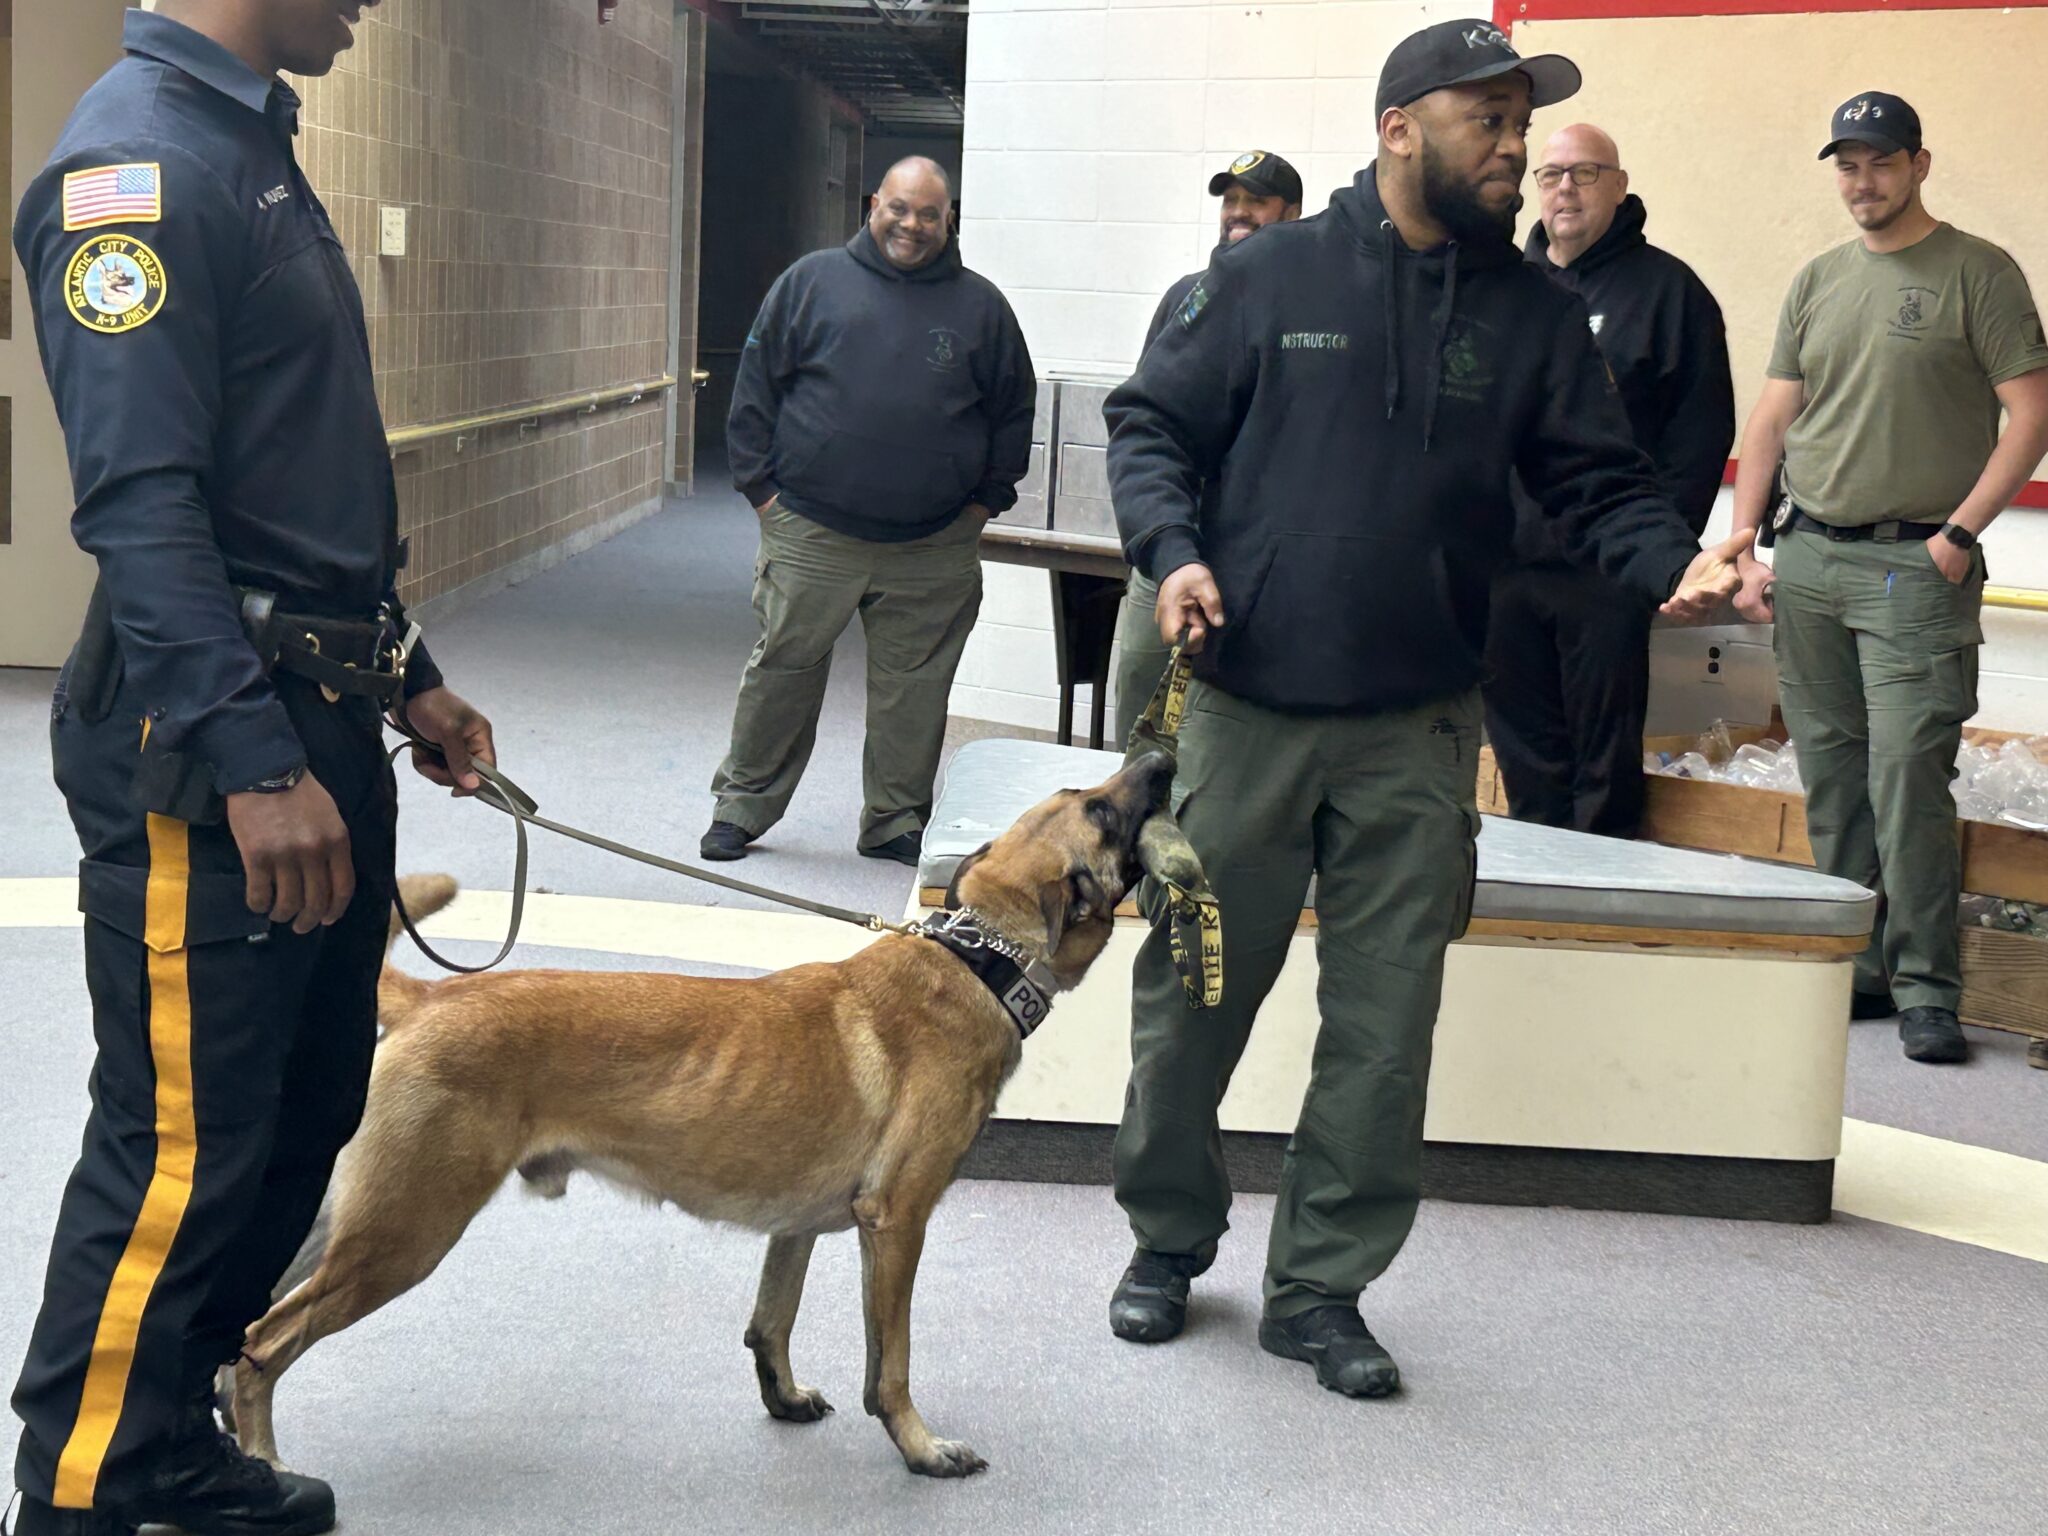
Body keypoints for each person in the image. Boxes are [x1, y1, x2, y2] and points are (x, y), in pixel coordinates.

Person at [1101, 19, 1750, 1398]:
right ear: (1401, 128)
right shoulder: (1265, 277)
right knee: (1194, 998)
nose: (1514, 149)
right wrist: (1178, 554)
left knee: (1387, 1031)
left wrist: (1676, 562)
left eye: (1523, 125)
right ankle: (1168, 1240)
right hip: (1247, 714)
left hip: (1418, 730)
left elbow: (1600, 482)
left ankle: (1322, 1290)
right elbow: (1149, 426)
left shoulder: (1530, 318)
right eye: (1489, 122)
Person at [7, 3, 498, 1534]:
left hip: (321, 719)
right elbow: (142, 509)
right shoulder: (138, 174)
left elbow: (296, 482)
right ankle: (79, 1492)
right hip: (211, 758)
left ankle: (165, 1437)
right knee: (182, 1150)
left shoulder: (244, 142)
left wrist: (404, 678)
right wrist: (248, 761)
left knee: (298, 1115)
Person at [1730, 93, 2048, 1064]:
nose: (1859, 181)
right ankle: (1856, 968)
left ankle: (1923, 987)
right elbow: (1772, 419)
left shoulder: (1975, 273)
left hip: (1914, 564)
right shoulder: (1817, 279)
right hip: (1811, 558)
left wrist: (1956, 534)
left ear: (1916, 165)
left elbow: (2030, 416)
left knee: (1905, 775)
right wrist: (1740, 538)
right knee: (1828, 776)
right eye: (1845, 164)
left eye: (1876, 162)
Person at [705, 157, 1036, 866]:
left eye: (928, 214)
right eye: (899, 208)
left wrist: (984, 504)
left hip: (933, 543)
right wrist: (761, 492)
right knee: (782, 674)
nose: (911, 225)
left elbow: (1013, 412)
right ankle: (742, 806)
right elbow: (756, 390)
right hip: (811, 530)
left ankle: (893, 821)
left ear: (950, 221)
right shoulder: (811, 283)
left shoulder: (982, 308)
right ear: (872, 206)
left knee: (913, 694)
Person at [1484, 123, 1735, 837]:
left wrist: (1661, 565)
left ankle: (1596, 905)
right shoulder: (1505, 290)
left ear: (1619, 188)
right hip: (1505, 569)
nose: (1566, 189)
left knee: (1602, 765)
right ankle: (1538, 904)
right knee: (1523, 758)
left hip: (1604, 574)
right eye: (1553, 174)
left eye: (1586, 174)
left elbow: (1699, 435)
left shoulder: (1670, 294)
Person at [1113, 152, 1304, 747]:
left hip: (1253, 565)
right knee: (1140, 707)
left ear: (1293, 215)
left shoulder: (1310, 309)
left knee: (1226, 734)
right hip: (1172, 553)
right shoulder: (1185, 298)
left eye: (1256, 201)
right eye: (1230, 201)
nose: (1238, 214)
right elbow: (1149, 422)